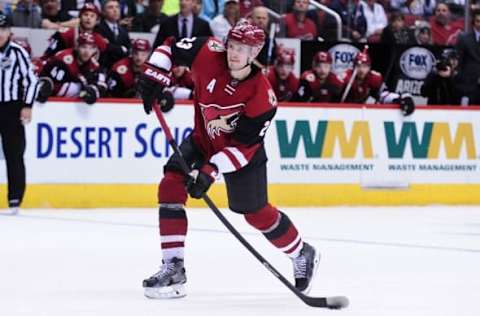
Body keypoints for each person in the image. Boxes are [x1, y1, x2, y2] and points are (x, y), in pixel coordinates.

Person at [138, 20, 320, 299]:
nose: (234, 53)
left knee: (255, 214)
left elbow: (243, 148)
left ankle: (301, 251)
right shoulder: (207, 52)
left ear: (255, 52)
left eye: (243, 49)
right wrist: (154, 73)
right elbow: (169, 47)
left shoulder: (263, 96)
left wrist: (210, 172)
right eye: (232, 45)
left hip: (241, 155)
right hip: (202, 141)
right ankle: (173, 267)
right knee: (170, 186)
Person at [0, 12, 38, 215]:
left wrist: (27, 105)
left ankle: (15, 199)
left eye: (3, 29)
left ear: (9, 31)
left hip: (11, 108)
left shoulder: (17, 52)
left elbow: (31, 80)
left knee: (14, 154)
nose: (0, 33)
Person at [36, 32, 107, 105]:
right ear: (77, 47)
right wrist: (83, 90)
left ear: (95, 50)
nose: (87, 52)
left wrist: (93, 90)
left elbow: (102, 85)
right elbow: (54, 89)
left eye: (91, 48)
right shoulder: (63, 60)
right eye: (84, 47)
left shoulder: (94, 65)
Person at [342, 47, 415, 115]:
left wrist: (400, 98)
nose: (361, 70)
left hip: (361, 112)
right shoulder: (346, 76)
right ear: (353, 67)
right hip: (343, 111)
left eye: (365, 66)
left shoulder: (373, 78)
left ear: (369, 67)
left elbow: (384, 95)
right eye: (358, 66)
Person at [42, 3, 108, 60]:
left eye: (92, 16)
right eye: (85, 14)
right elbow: (47, 56)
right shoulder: (65, 34)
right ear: (79, 17)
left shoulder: (99, 39)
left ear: (97, 21)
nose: (88, 18)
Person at [95, 0, 131, 69]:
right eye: (110, 7)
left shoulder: (124, 30)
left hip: (119, 69)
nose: (115, 10)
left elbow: (128, 51)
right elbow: (104, 49)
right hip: (102, 68)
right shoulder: (98, 29)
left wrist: (110, 46)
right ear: (103, 12)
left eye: (117, 7)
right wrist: (121, 49)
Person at [456, 9, 480, 105]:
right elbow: (459, 63)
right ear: (473, 22)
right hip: (468, 87)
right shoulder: (464, 39)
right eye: (478, 21)